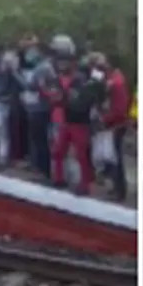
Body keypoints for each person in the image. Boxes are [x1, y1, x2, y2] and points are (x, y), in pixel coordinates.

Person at [49, 52, 99, 194]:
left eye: (65, 63)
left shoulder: (82, 81)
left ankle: (85, 185)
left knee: (81, 155)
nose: (62, 65)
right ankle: (59, 179)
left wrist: (63, 100)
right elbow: (61, 98)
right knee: (58, 151)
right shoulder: (61, 80)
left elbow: (81, 102)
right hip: (67, 120)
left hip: (80, 123)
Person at [89, 53, 131, 201]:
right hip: (112, 124)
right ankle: (116, 187)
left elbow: (119, 110)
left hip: (116, 125)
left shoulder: (116, 83)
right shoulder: (110, 81)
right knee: (112, 157)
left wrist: (104, 119)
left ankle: (120, 191)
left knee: (115, 159)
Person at [18, 40, 56, 177]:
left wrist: (15, 75)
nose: (30, 54)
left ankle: (43, 170)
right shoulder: (46, 66)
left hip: (40, 108)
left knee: (40, 140)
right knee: (38, 139)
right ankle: (38, 166)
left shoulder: (42, 68)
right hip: (39, 107)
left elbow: (33, 86)